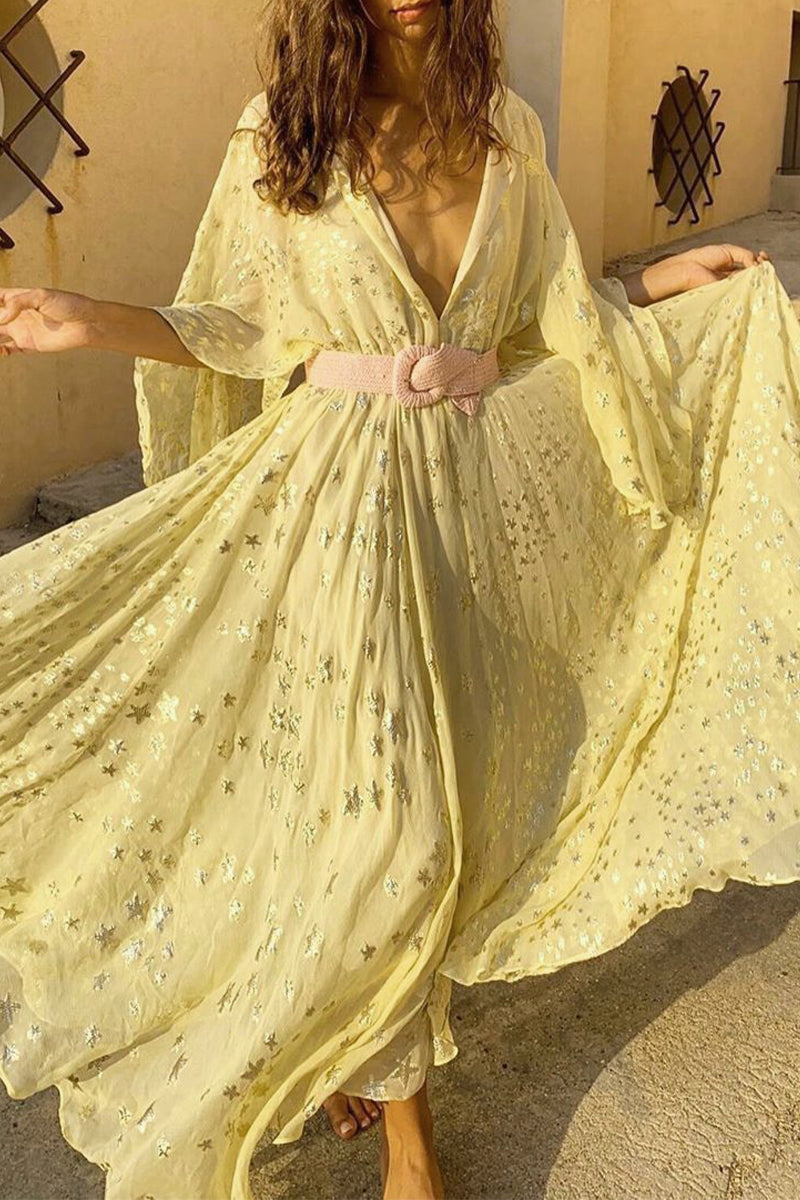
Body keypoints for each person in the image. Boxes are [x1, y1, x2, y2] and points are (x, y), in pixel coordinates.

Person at [0, 1, 795, 1198]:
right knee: (394, 830)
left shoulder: (506, 128)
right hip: (337, 505)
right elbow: (238, 325)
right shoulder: (285, 131)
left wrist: (653, 285)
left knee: (447, 801)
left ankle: (346, 1026)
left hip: (474, 499)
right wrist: (92, 321)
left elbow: (541, 322)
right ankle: (409, 1143)